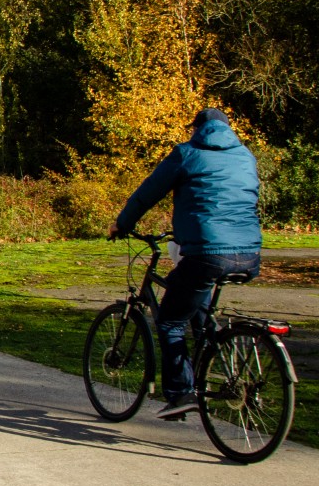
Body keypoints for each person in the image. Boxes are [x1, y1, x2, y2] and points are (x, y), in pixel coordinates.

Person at [108, 108, 262, 419]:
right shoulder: (246, 157)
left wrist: (122, 223)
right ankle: (209, 354)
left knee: (169, 320)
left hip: (207, 252)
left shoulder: (187, 153)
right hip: (249, 254)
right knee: (196, 302)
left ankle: (181, 393)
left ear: (197, 128)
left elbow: (148, 193)